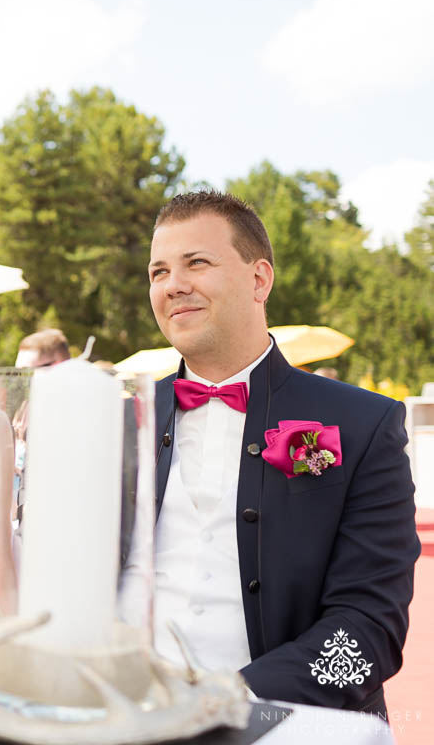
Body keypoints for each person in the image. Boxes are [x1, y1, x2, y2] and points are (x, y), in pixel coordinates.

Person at [147, 191, 419, 716]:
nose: (173, 285)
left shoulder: (365, 423)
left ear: (259, 279)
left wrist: (229, 699)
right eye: (158, 272)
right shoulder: (119, 423)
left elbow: (370, 629)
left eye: (196, 262)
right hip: (129, 719)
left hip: (294, 723)